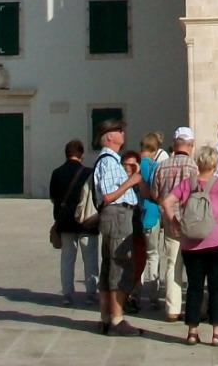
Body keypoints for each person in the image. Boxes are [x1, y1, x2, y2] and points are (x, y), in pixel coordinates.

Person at [160, 144, 218, 348]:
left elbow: (166, 203)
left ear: (198, 163)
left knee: (194, 287)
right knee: (216, 287)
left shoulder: (187, 184)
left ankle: (192, 332)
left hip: (190, 243)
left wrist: (175, 222)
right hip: (217, 239)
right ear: (215, 164)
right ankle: (217, 333)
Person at [91, 118, 143, 335]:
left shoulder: (110, 160)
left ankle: (106, 317)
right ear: (110, 137)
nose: (123, 134)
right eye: (119, 131)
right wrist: (131, 181)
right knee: (120, 265)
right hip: (118, 214)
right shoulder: (109, 161)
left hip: (116, 215)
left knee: (109, 265)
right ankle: (117, 319)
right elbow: (108, 195)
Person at [152, 128, 197, 321]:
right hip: (191, 222)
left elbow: (155, 194)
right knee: (194, 267)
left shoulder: (162, 166)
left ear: (174, 143)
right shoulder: (194, 166)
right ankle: (195, 307)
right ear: (191, 144)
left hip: (170, 221)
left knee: (172, 265)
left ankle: (172, 309)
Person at [49, 139, 94, 307]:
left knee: (67, 259)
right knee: (90, 259)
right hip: (86, 221)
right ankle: (91, 294)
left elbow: (53, 197)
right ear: (81, 154)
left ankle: (67, 294)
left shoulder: (57, 173)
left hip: (65, 222)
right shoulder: (88, 173)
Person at [136, 132, 164, 308]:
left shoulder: (138, 164)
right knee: (153, 255)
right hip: (152, 213)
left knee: (139, 255)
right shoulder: (154, 166)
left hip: (139, 212)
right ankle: (153, 294)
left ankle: (136, 292)